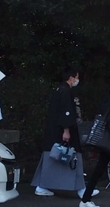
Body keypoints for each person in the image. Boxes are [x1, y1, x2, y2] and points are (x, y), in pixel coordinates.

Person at [33, 64, 92, 198]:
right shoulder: (65, 91)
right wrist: (66, 130)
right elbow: (66, 113)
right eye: (77, 77)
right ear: (71, 78)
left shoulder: (59, 90)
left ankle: (42, 185)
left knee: (52, 157)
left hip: (53, 132)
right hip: (63, 131)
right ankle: (82, 189)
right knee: (74, 156)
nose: (78, 80)